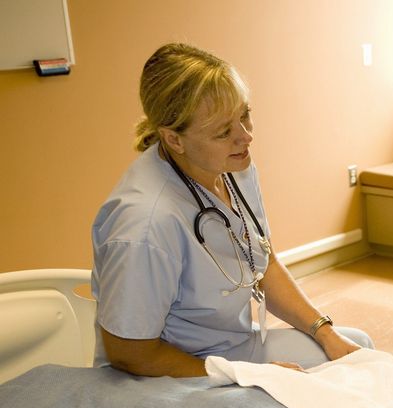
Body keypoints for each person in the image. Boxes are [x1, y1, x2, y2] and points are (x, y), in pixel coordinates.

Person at [91, 43, 372, 377]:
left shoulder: (230, 167)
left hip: (232, 346)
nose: (246, 136)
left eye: (245, 115)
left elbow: (262, 262)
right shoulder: (145, 225)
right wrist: (245, 376)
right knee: (306, 398)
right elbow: (130, 353)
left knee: (358, 352)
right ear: (174, 139)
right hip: (166, 375)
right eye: (224, 131)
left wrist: (325, 333)